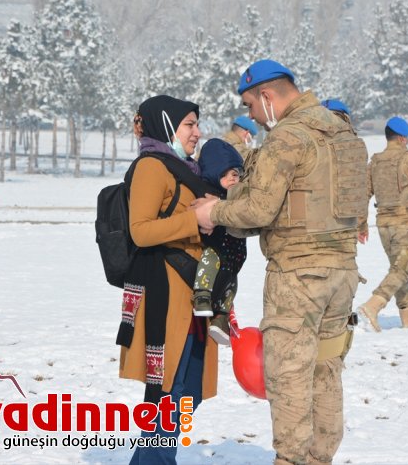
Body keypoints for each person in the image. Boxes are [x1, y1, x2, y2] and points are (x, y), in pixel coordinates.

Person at [193, 59, 368, 465]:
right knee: (326, 371)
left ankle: (290, 460)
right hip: (342, 274)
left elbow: (259, 209)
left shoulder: (288, 136)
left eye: (250, 105)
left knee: (288, 377)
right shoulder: (342, 131)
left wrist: (213, 213)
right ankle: (319, 458)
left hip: (298, 276)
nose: (251, 115)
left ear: (267, 96)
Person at [118, 95, 218, 465]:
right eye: (189, 125)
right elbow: (141, 231)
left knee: (183, 392)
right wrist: (196, 219)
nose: (197, 133)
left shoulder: (186, 169)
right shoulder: (151, 167)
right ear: (167, 126)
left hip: (191, 294)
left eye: (196, 125)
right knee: (166, 391)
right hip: (165, 292)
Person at [357, 116, 408, 331]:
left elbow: (363, 193)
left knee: (399, 269)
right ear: (402, 138)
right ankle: (373, 306)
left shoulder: (375, 161)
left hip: (384, 225)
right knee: (406, 267)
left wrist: (361, 225)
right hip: (406, 224)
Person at [192, 138, 247, 345]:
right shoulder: (208, 194)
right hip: (216, 249)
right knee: (209, 261)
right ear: (217, 172)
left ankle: (222, 315)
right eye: (231, 174)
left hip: (234, 256)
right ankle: (202, 295)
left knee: (232, 284)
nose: (235, 180)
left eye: (238, 175)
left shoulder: (237, 198)